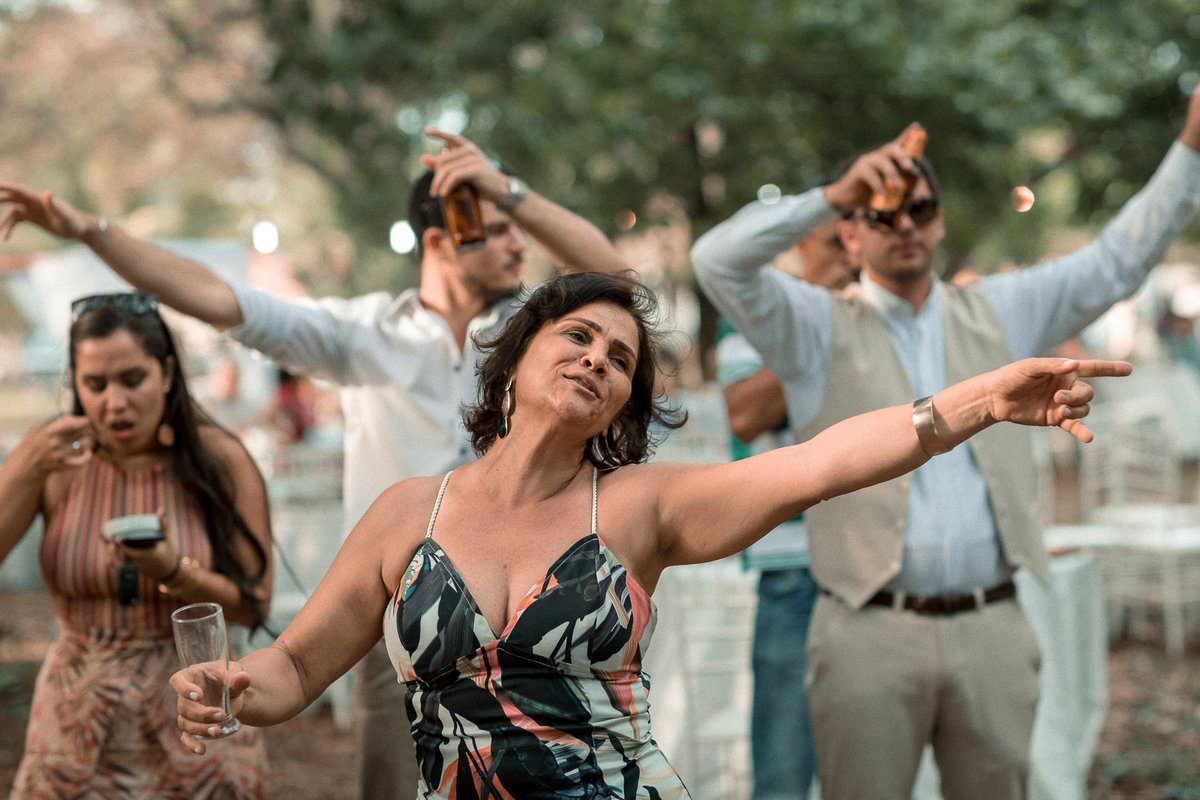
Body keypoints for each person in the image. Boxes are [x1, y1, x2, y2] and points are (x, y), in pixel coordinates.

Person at [165, 270, 1126, 799]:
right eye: (577, 336)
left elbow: (820, 462)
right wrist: (233, 685)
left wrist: (984, 399)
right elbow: (294, 668)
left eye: (620, 358)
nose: (598, 357)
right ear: (511, 363)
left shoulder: (638, 510)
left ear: (622, 403)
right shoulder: (404, 512)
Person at [0, 127, 628, 800]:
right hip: (403, 621)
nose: (516, 243)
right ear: (442, 242)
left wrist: (510, 192)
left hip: (532, 611)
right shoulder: (365, 335)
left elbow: (615, 283)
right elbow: (217, 298)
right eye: (498, 228)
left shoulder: (536, 340)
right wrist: (92, 232)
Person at [691, 85, 1200, 800]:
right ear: (849, 233)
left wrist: (1191, 148)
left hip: (992, 622)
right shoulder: (809, 326)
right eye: (881, 212)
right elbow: (717, 262)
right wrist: (831, 192)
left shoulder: (1000, 308)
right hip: (864, 630)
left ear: (938, 221)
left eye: (920, 208)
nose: (904, 223)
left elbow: (1117, 262)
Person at [0, 292, 273, 798]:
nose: (114, 403)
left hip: (193, 715)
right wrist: (26, 465)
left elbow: (255, 603)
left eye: (132, 379)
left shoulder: (218, 461)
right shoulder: (56, 464)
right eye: (95, 384)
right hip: (74, 727)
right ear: (75, 385)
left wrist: (175, 571)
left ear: (167, 374)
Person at [715, 213, 859, 800]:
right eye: (835, 242)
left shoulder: (874, 316)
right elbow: (745, 414)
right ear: (801, 244)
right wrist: (820, 315)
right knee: (782, 771)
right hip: (792, 573)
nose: (851, 256)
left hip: (871, 568)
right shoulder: (755, 318)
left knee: (867, 771)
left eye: (858, 242)